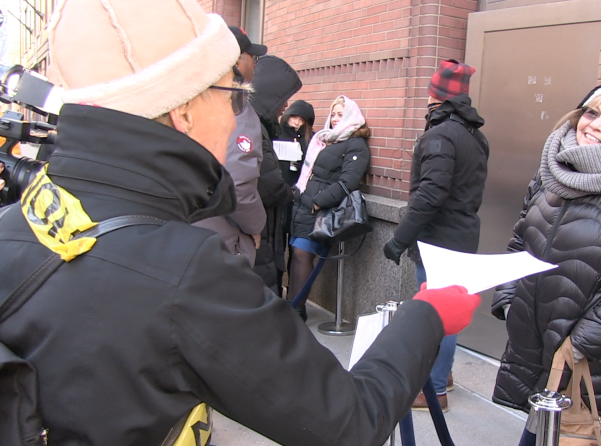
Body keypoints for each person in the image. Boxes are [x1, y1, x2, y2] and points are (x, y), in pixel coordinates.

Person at [0, 1, 481, 444]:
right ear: (183, 110)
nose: (238, 119)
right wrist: (428, 316)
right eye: (233, 98)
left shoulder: (13, 222)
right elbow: (349, 421)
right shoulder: (187, 273)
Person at [491, 82, 601, 446]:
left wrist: (574, 346)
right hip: (531, 349)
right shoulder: (548, 176)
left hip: (586, 365)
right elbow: (519, 244)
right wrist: (510, 304)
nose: (596, 125)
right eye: (591, 113)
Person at [382, 59, 490, 412]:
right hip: (461, 237)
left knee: (436, 314)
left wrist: (399, 240)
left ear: (434, 95)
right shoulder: (475, 135)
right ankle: (444, 374)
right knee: (449, 308)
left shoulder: (440, 135)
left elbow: (430, 194)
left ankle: (435, 389)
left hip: (440, 242)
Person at [287, 95, 371, 321]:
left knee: (304, 254)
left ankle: (295, 310)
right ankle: (292, 306)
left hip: (320, 210)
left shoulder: (355, 143)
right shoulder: (324, 139)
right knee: (296, 253)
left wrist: (318, 201)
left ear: (352, 116)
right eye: (333, 114)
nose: (334, 119)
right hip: (302, 205)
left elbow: (349, 181)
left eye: (340, 114)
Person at [192, 25, 268, 267]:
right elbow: (238, 184)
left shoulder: (187, 99)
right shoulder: (233, 104)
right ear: (236, 59)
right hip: (219, 238)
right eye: (252, 57)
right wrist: (255, 225)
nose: (255, 64)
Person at [249, 55, 301, 294]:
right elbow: (268, 185)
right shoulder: (253, 127)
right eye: (283, 100)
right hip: (260, 231)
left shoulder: (256, 124)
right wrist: (289, 193)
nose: (285, 107)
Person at [276, 99, 316, 292]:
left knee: (297, 251)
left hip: (300, 202)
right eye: (294, 117)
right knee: (277, 247)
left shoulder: (312, 141)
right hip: (278, 198)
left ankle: (293, 294)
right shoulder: (276, 134)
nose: (296, 123)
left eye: (302, 120)